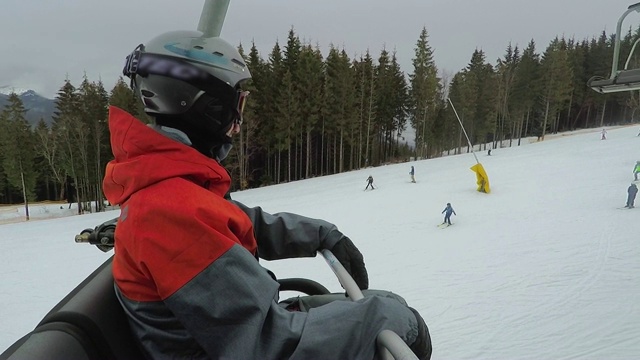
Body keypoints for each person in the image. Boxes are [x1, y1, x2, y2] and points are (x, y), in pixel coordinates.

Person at [102, 31, 431, 359]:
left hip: (247, 328)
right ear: (206, 106)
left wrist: (320, 235)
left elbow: (239, 222)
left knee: (389, 306)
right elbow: (266, 348)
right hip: (252, 342)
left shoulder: (175, 184)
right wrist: (400, 323)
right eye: (236, 104)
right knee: (399, 324)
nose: (237, 123)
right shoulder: (169, 212)